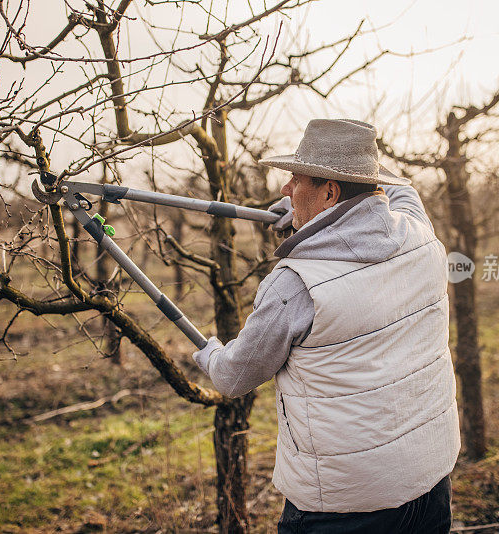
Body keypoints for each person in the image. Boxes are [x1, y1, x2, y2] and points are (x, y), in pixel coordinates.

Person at [192, 119, 460, 533]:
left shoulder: (294, 285)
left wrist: (210, 352)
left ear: (330, 191)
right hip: (429, 483)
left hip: (345, 506)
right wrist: (312, 215)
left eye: (295, 180)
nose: (284, 189)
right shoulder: (421, 235)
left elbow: (233, 375)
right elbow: (401, 190)